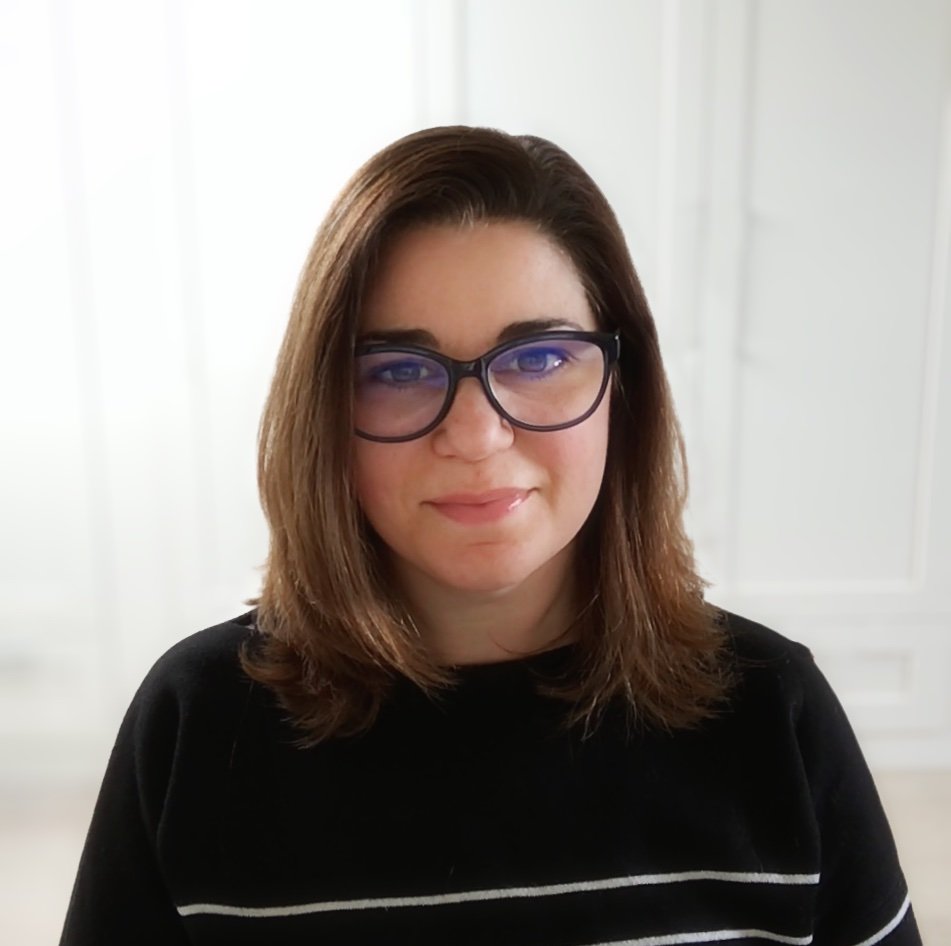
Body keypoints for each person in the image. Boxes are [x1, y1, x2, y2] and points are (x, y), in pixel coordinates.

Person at [60, 126, 921, 945]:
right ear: (322, 411)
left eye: (539, 358)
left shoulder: (772, 711)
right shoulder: (198, 724)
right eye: (397, 370)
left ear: (623, 390)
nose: (474, 437)